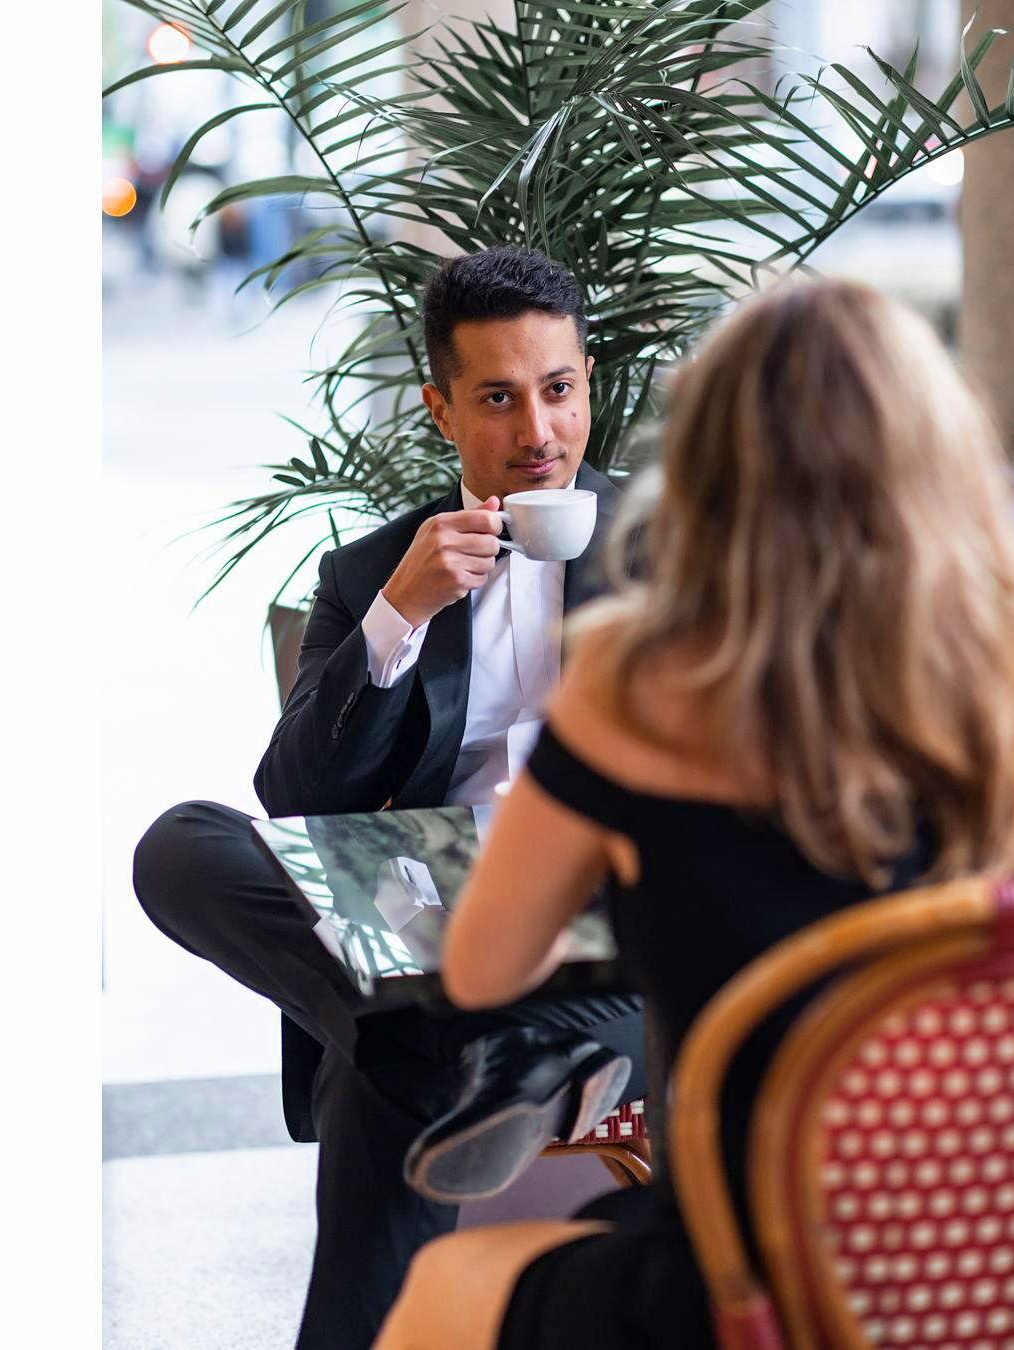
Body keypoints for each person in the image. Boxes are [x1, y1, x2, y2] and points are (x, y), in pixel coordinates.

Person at [372, 277, 1014, 1350]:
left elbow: (485, 971)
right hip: (993, 1272)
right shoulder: (988, 703)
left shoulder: (629, 689)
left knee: (442, 1291)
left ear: (708, 472)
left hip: (753, 1279)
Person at [132, 248, 648, 1350]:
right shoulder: (373, 570)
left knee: (385, 1073)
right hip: (421, 913)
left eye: (559, 389)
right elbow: (295, 796)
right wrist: (399, 617)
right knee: (178, 846)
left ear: (588, 384)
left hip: (610, 937)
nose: (539, 431)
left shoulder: (676, 548)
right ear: (440, 409)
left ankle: (425, 1043)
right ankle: (442, 1038)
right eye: (498, 399)